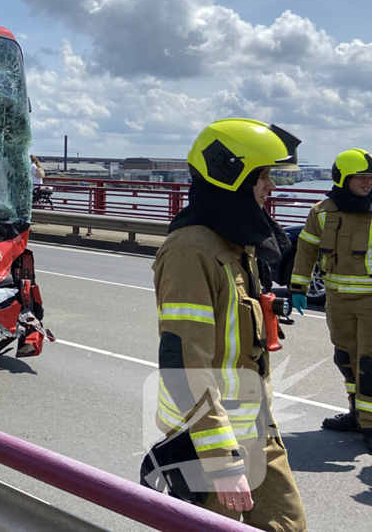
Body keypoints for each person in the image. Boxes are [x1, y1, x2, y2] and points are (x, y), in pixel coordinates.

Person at [143, 118, 306, 531]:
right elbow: (184, 363)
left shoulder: (235, 242)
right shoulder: (191, 251)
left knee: (288, 525)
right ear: (232, 175)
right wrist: (221, 461)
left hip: (255, 426)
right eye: (263, 175)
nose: (271, 186)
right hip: (212, 441)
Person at [290, 148, 372, 450]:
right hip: (336, 301)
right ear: (342, 179)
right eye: (360, 178)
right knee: (346, 359)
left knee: (370, 364)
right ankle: (357, 413)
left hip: (370, 301)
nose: (367, 183)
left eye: (370, 178)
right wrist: (298, 288)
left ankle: (370, 424)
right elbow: (306, 250)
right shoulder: (322, 212)